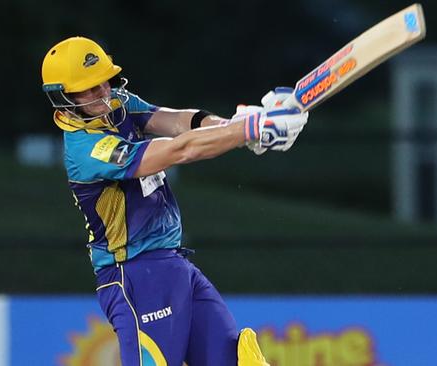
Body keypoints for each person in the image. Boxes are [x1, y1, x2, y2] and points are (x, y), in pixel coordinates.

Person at [40, 36, 308, 366]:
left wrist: (232, 125)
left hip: (175, 265)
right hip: (133, 275)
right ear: (64, 97)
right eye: (89, 88)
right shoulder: (86, 150)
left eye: (103, 82)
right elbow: (178, 149)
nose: (102, 93)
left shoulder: (119, 106)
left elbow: (179, 121)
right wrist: (248, 131)